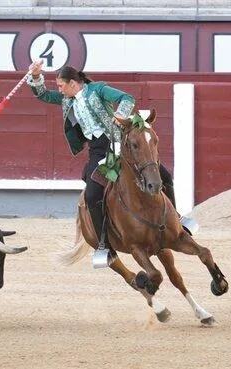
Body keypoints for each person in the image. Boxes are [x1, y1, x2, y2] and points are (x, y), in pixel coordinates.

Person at [27, 60, 188, 259]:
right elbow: (42, 94)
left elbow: (126, 98)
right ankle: (104, 242)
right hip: (98, 150)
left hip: (119, 141)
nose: (59, 90)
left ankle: (176, 221)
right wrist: (35, 75)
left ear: (72, 83)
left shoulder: (97, 89)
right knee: (93, 194)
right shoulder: (67, 100)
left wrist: (119, 115)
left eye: (61, 85)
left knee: (164, 175)